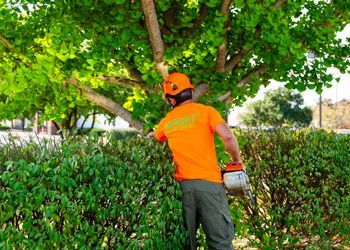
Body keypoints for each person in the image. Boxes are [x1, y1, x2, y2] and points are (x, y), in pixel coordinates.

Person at [153, 72, 241, 250]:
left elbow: (155, 140)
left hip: (183, 188)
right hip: (209, 185)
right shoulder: (206, 112)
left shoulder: (166, 121)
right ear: (190, 92)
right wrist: (236, 160)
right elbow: (228, 137)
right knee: (220, 243)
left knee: (185, 242)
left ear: (171, 100)